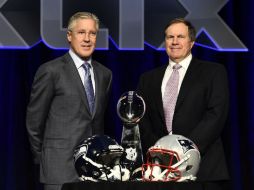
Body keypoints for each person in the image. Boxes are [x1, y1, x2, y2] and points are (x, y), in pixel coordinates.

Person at [137, 18, 230, 189]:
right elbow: (143, 120)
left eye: (180, 36)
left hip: (203, 170)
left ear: (191, 42)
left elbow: (216, 115)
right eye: (169, 37)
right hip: (160, 171)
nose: (174, 42)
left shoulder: (213, 72)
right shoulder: (148, 79)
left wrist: (182, 152)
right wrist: (161, 153)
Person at [26, 12, 112, 190]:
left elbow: (97, 122)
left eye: (92, 33)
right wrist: (46, 159)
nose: (87, 39)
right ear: (69, 36)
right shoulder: (51, 71)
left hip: (94, 172)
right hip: (59, 171)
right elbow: (34, 123)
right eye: (81, 32)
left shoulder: (105, 74)